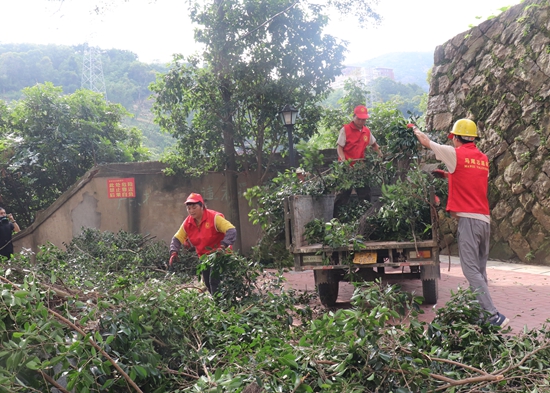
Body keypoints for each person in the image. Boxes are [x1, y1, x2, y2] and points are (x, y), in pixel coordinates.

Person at [413, 118, 509, 328]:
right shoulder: (483, 159)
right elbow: (470, 179)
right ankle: (481, 314)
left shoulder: (455, 153)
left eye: (453, 138)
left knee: (469, 269)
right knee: (480, 270)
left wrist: (414, 128)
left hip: (469, 220)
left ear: (456, 138)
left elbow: (425, 141)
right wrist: (448, 176)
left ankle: (493, 315)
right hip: (484, 220)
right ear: (473, 138)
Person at [169, 193, 237, 295]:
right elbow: (177, 238)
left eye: (194, 207)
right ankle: (218, 303)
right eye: (188, 208)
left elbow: (231, 230)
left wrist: (223, 246)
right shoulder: (187, 223)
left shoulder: (214, 218)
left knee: (214, 281)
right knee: (208, 283)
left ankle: (220, 306)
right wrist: (174, 251)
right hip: (204, 257)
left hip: (220, 254)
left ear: (202, 206)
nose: (191, 211)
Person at [334, 105, 383, 211]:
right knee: (343, 195)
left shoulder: (367, 131)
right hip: (346, 169)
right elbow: (340, 147)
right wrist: (343, 160)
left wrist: (380, 155)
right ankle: (336, 219)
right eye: (359, 119)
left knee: (365, 194)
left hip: (360, 168)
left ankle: (365, 218)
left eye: (363, 119)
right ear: (353, 116)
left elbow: (374, 145)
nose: (361, 121)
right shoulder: (345, 129)